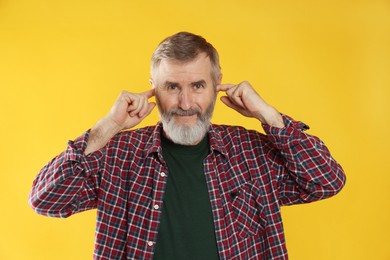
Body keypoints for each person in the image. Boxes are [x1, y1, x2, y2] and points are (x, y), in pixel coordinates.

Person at [29, 32, 346, 260]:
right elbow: (46, 200)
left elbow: (326, 181)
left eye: (197, 86)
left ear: (216, 83)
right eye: (172, 87)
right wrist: (107, 127)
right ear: (153, 89)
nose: (185, 103)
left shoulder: (253, 152)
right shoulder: (116, 154)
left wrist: (268, 115)